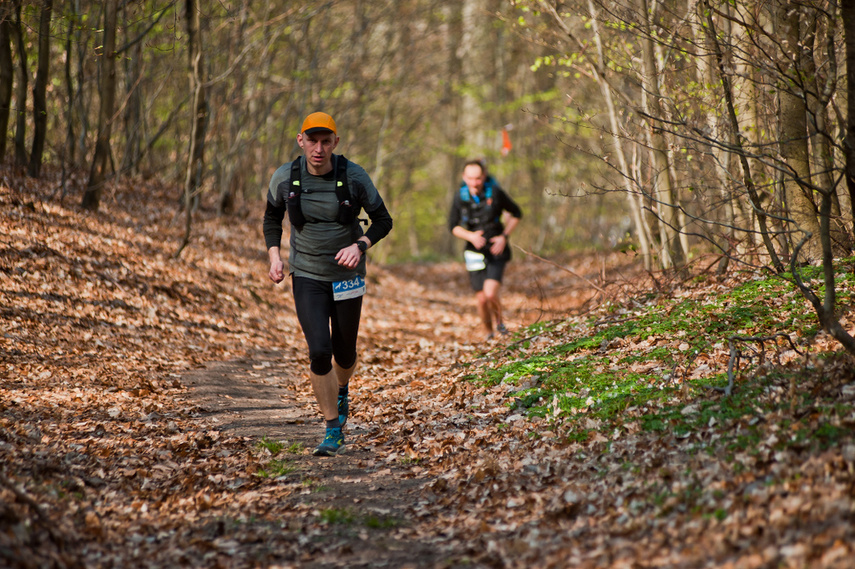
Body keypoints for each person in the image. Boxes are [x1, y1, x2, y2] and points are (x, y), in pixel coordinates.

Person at [264, 112, 393, 456]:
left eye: (325, 141)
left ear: (335, 142)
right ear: (300, 140)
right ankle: (333, 428)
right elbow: (271, 216)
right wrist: (275, 257)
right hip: (306, 273)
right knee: (320, 351)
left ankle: (342, 387)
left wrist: (360, 245)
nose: (318, 148)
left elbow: (383, 220)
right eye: (312, 140)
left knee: (345, 353)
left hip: (347, 278)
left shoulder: (353, 176)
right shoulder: (285, 177)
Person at [448, 160, 522, 341]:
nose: (474, 183)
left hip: (497, 250)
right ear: (464, 178)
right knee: (481, 299)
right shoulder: (460, 197)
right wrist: (470, 236)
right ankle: (488, 333)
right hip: (473, 251)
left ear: (484, 177)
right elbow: (453, 226)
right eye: (470, 178)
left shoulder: (495, 193)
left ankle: (500, 324)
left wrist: (504, 236)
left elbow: (517, 213)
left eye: (478, 178)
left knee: (490, 294)